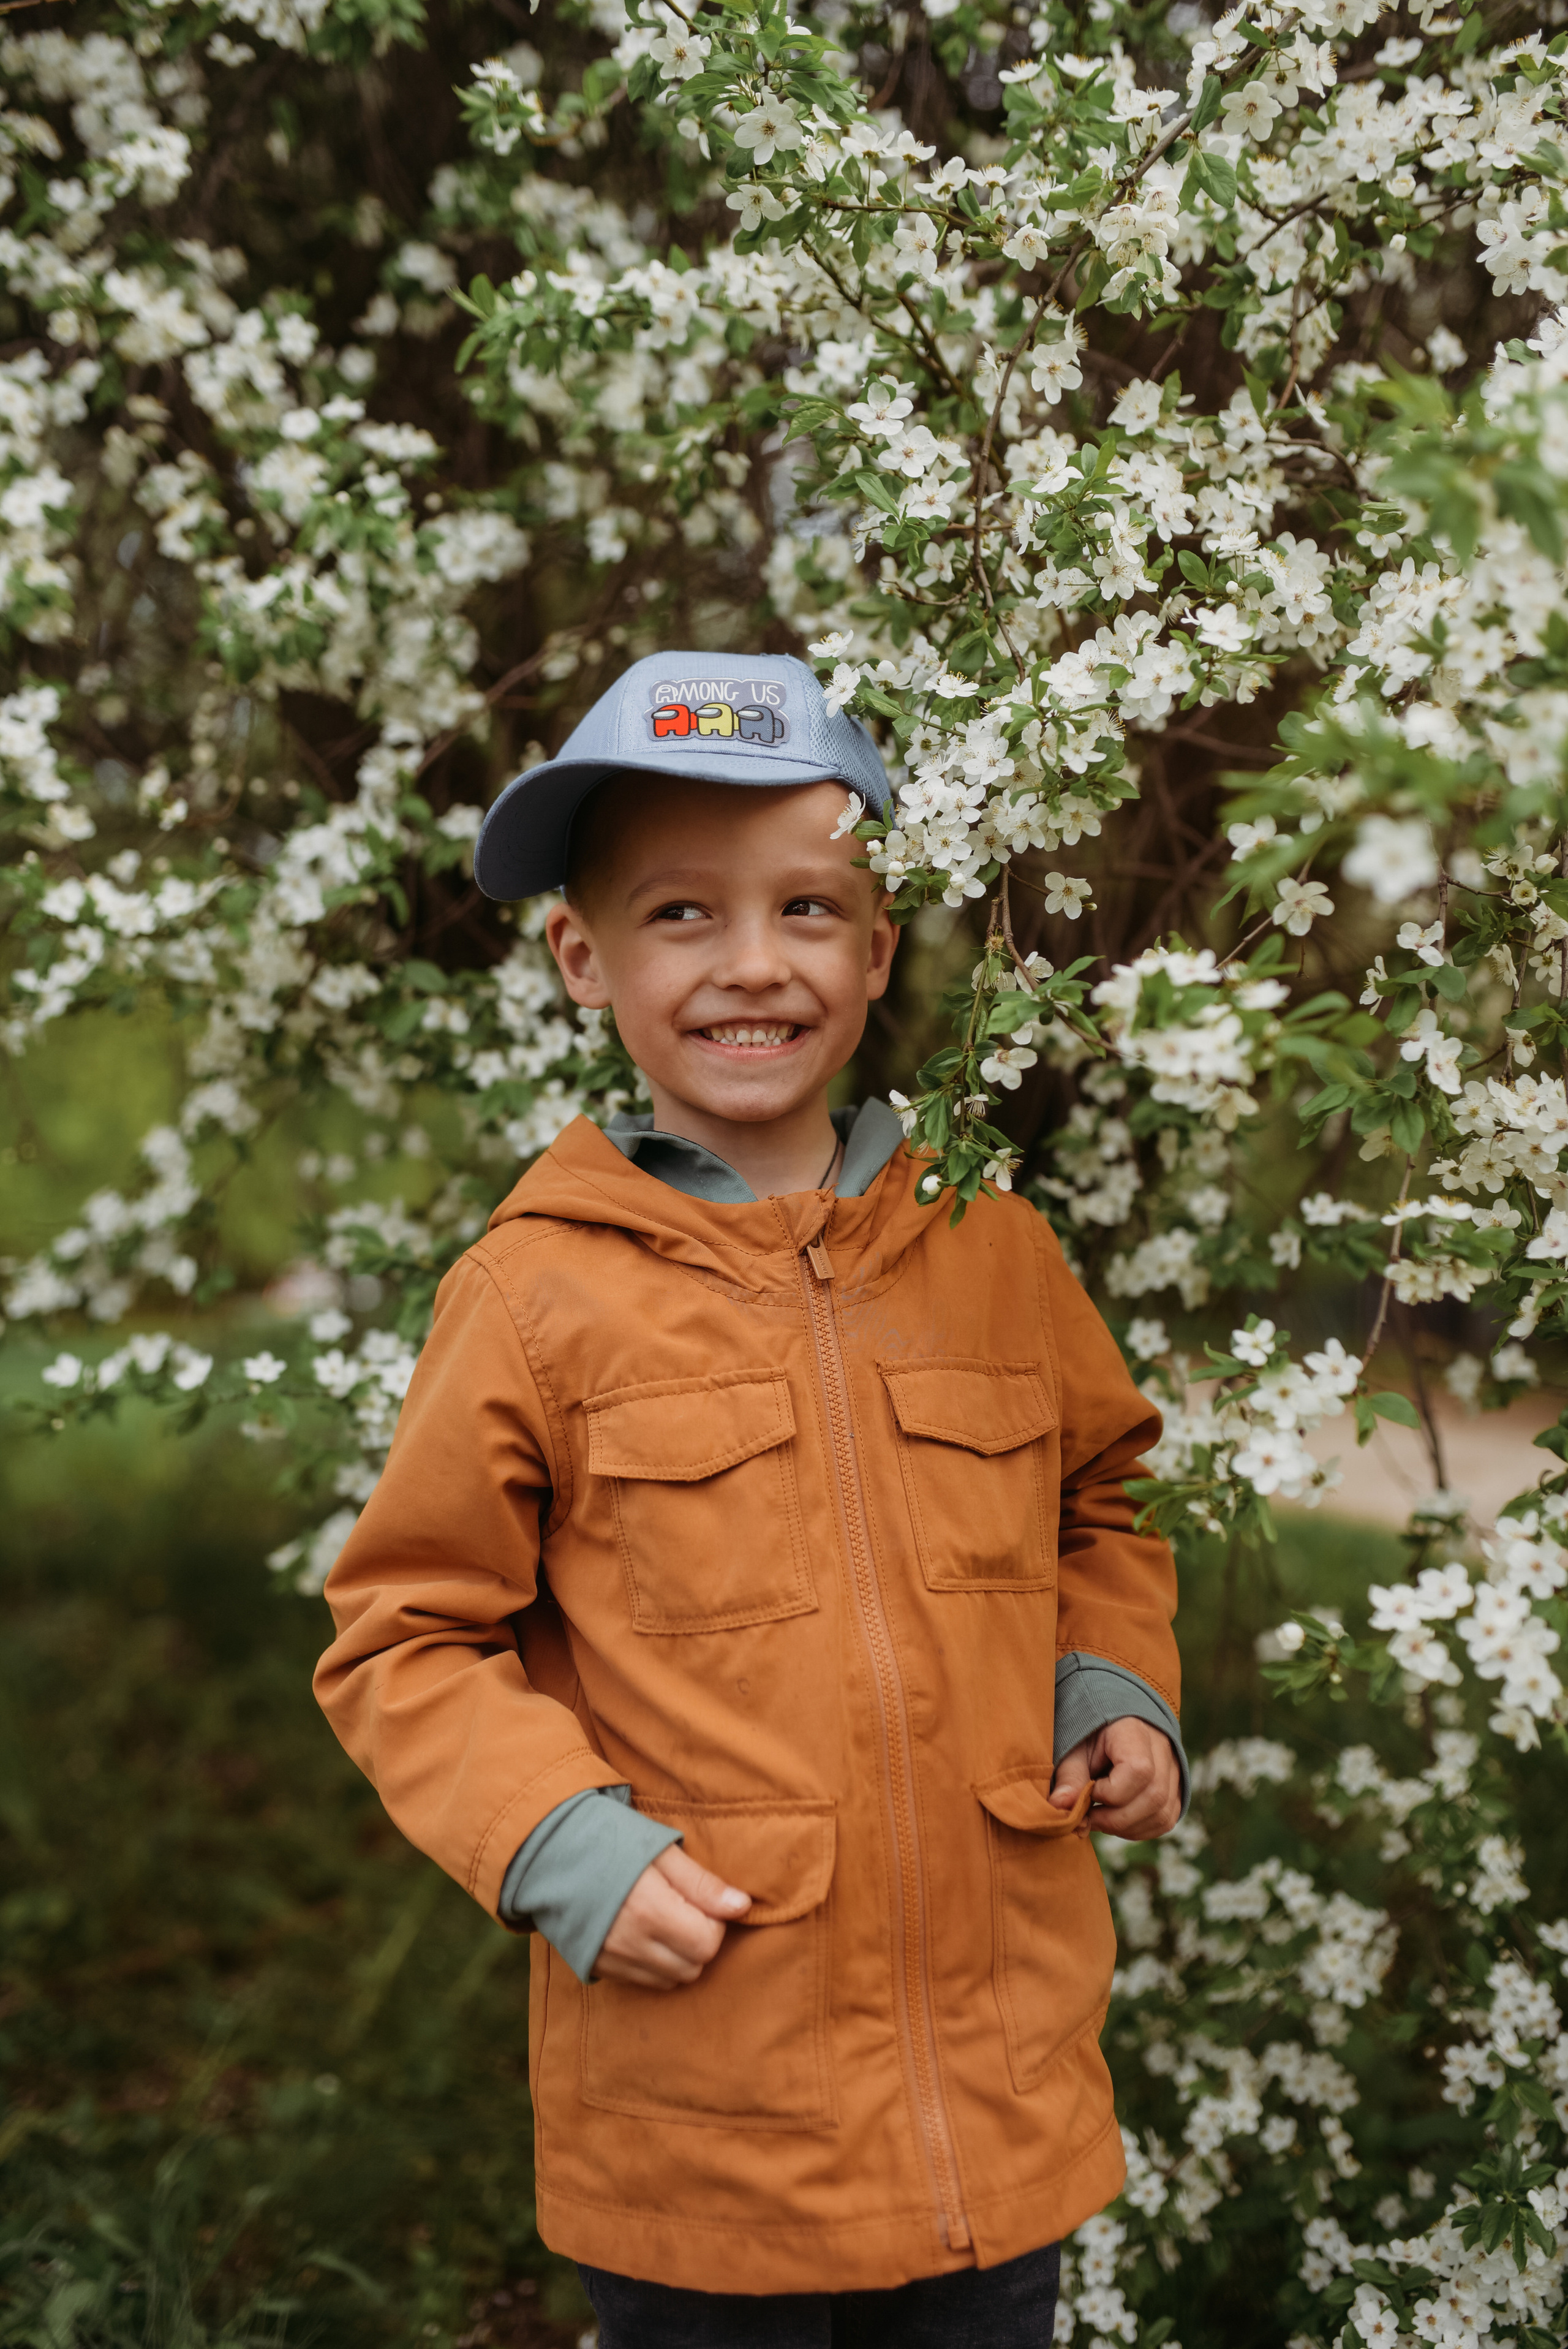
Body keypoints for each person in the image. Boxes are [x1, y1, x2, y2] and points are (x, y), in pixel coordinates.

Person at [314, 650, 1184, 2349]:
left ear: (875, 948)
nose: (751, 964)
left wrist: (1110, 1681)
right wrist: (562, 1842)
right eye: (683, 915)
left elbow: (1101, 1497)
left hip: (998, 2111)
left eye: (806, 907)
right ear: (586, 956)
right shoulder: (535, 1293)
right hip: (709, 2138)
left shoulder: (988, 1246)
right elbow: (404, 1633)